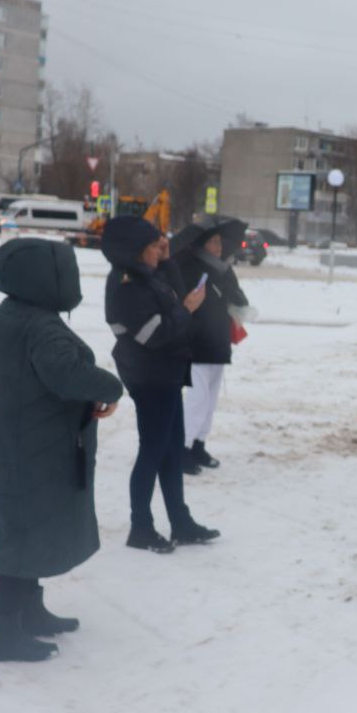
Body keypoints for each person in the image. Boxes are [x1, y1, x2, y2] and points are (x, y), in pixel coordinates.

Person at [0, 238, 124, 662]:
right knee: (21, 533)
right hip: (32, 443)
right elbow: (65, 375)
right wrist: (111, 387)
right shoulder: (39, 325)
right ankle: (3, 632)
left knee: (30, 526)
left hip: (22, 438)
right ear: (46, 277)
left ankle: (29, 609)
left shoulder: (13, 313)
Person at [102, 216, 220, 552]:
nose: (158, 250)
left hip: (165, 374)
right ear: (135, 252)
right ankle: (140, 527)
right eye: (153, 247)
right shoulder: (126, 286)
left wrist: (167, 262)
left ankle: (180, 522)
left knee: (170, 452)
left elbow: (171, 300)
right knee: (152, 453)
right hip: (150, 377)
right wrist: (186, 309)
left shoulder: (145, 276)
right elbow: (155, 334)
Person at [175, 221, 251, 472]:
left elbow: (238, 297)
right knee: (197, 399)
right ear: (201, 245)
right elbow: (185, 302)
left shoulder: (223, 270)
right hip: (196, 343)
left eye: (220, 242)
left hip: (218, 341)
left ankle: (198, 444)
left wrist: (234, 295)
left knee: (210, 400)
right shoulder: (189, 267)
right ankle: (181, 449)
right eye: (214, 242)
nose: (219, 247)